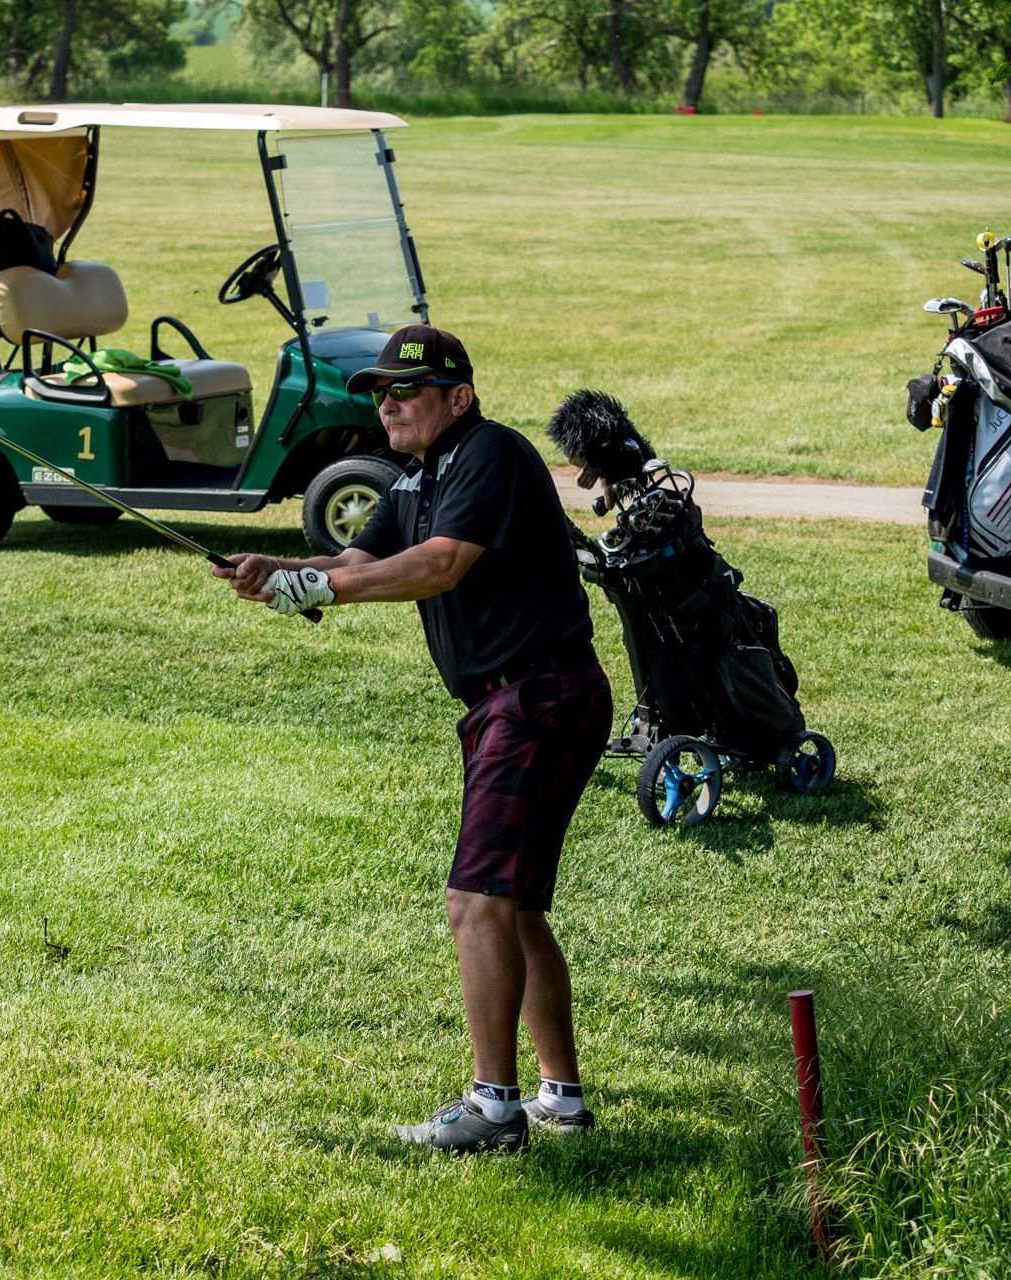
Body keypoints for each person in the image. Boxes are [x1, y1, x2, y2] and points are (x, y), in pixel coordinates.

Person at [213, 325, 612, 1153]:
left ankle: (493, 1110)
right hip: (517, 701)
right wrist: (278, 573)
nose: (387, 405)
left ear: (458, 397)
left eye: (405, 390)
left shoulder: (490, 455)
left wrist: (318, 586)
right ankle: (562, 1099)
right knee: (514, 906)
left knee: (477, 901)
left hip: (537, 695)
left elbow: (439, 566)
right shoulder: (417, 478)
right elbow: (356, 558)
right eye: (378, 393)